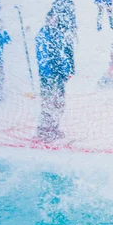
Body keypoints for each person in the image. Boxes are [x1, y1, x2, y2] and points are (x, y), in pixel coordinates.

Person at [35, 13, 73, 142]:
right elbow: (44, 56)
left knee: (59, 103)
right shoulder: (43, 35)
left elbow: (63, 55)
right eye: (52, 19)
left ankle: (54, 128)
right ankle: (44, 130)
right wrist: (52, 69)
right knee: (48, 103)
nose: (54, 21)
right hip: (48, 75)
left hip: (59, 75)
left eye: (56, 19)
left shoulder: (58, 34)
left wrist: (66, 70)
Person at [49, 0, 77, 76]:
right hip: (60, 30)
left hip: (67, 29)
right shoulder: (56, 4)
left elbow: (72, 16)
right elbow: (51, 15)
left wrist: (72, 27)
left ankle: (71, 68)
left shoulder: (68, 2)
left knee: (68, 49)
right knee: (61, 49)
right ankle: (65, 68)